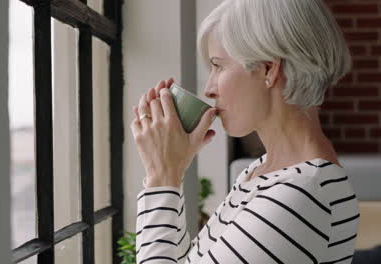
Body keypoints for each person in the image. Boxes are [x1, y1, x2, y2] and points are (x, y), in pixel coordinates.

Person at [130, 0, 360, 263]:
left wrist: (162, 175)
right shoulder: (263, 173)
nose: (209, 88)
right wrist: (170, 169)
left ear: (268, 69)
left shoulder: (298, 193)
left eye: (218, 66)